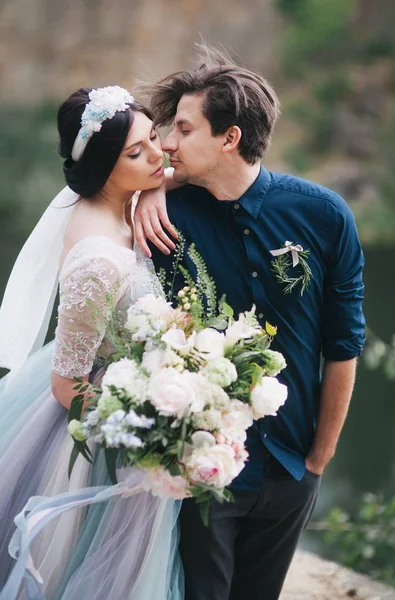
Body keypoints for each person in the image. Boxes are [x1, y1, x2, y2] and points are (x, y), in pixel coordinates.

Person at [134, 46, 366, 600]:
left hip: (291, 467)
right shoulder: (168, 215)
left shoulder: (324, 215)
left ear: (230, 138)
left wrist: (319, 459)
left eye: (183, 129)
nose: (168, 143)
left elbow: (344, 343)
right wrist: (146, 191)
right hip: (199, 471)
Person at [0, 85, 184, 600]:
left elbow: (174, 168)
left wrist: (156, 186)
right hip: (99, 429)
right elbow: (65, 384)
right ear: (105, 165)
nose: (157, 155)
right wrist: (146, 432)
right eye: (136, 153)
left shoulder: (120, 197)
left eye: (153, 138)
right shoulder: (98, 259)